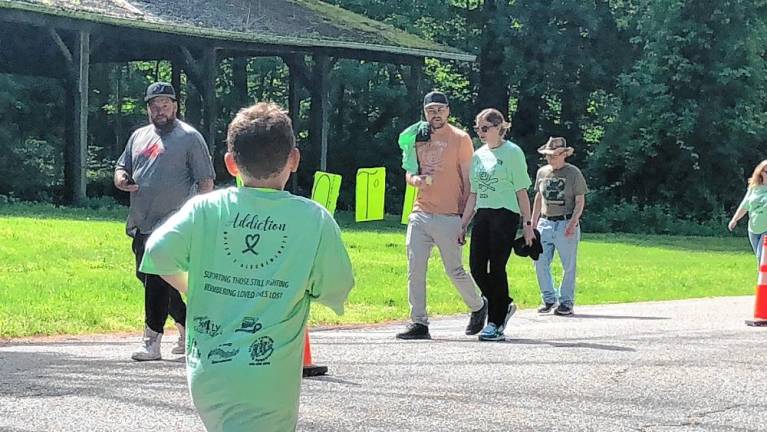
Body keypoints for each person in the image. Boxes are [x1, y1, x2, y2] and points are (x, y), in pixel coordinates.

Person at [139, 102, 355, 431]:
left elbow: (156, 250)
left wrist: (193, 288)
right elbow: (336, 287)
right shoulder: (313, 219)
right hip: (269, 376)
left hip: (208, 370)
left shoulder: (205, 209)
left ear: (230, 164)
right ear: (294, 159)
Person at [114, 82, 215, 361]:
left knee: (157, 278)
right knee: (147, 277)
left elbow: (205, 181)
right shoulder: (139, 137)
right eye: (155, 106)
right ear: (148, 109)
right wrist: (121, 180)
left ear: (175, 106)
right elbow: (122, 166)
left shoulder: (190, 138)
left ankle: (151, 340)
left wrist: (197, 218)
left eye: (165, 105)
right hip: (142, 221)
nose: (160, 111)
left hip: (174, 223)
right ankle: (186, 327)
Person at [396, 91, 488, 340]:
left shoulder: (460, 138)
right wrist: (415, 180)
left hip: (450, 214)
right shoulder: (416, 135)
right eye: (430, 110)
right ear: (424, 112)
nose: (435, 114)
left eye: (440, 109)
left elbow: (469, 180)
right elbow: (409, 170)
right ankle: (419, 322)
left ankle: (479, 306)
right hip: (421, 212)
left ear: (448, 111)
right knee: (415, 268)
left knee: (454, 269)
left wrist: (465, 218)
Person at [459, 108, 534, 341]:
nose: (480, 132)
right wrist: (463, 224)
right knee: (476, 267)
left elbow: (521, 191)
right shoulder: (478, 155)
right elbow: (473, 193)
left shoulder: (512, 153)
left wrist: (528, 224)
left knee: (497, 267)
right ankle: (504, 304)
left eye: (484, 128)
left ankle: (495, 321)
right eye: (477, 128)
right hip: (483, 214)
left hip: (505, 214)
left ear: (498, 127)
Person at [530, 137, 587, 316]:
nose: (550, 159)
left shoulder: (573, 173)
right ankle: (548, 298)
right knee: (539, 261)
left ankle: (566, 302)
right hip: (545, 222)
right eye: (548, 155)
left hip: (565, 222)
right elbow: (539, 198)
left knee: (568, 265)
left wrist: (573, 222)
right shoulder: (542, 172)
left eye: (554, 155)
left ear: (563, 155)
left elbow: (580, 201)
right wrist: (532, 224)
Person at [728, 159, 767, 265]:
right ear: (761, 173)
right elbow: (745, 205)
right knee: (760, 260)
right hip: (753, 229)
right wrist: (734, 219)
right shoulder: (754, 188)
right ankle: (762, 280)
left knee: (762, 256)